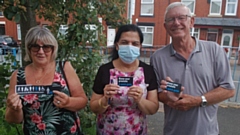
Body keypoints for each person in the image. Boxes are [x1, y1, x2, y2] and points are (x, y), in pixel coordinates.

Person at [150, 2, 235, 135]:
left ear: (192, 22)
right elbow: (157, 93)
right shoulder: (158, 57)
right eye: (171, 19)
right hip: (174, 131)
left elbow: (228, 90)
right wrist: (168, 98)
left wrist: (197, 101)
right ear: (165, 26)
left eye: (181, 18)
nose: (176, 23)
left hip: (207, 131)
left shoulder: (214, 50)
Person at [5, 26, 88, 134]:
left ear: (53, 49)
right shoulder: (18, 76)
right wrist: (14, 109)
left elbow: (83, 101)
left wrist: (68, 102)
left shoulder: (64, 68)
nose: (41, 51)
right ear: (29, 49)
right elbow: (13, 119)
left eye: (46, 47)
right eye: (35, 47)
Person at [90, 24, 159, 135]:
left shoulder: (147, 71)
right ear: (117, 45)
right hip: (107, 131)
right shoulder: (105, 70)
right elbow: (94, 107)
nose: (129, 46)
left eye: (134, 43)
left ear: (140, 46)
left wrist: (140, 100)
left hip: (137, 131)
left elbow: (153, 108)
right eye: (124, 42)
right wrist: (105, 99)